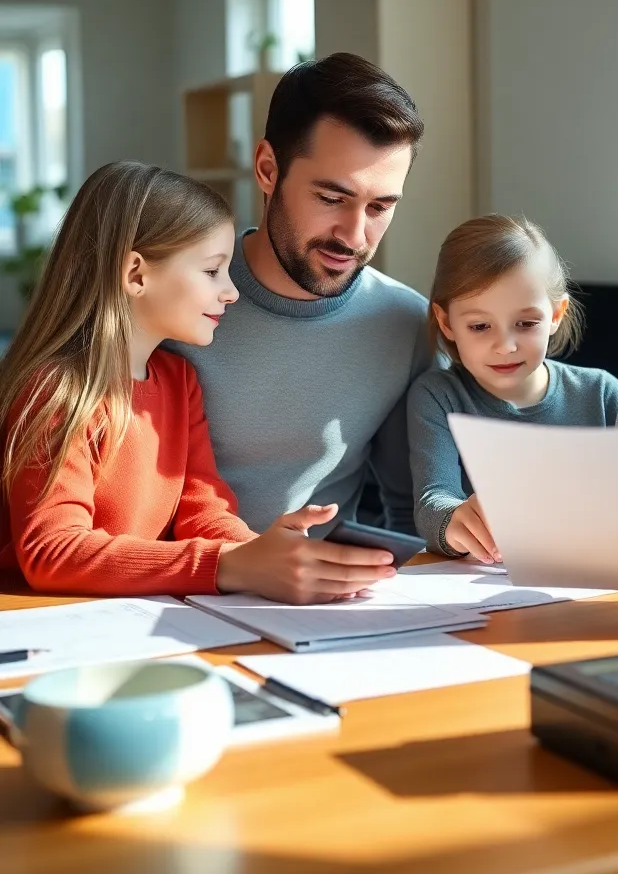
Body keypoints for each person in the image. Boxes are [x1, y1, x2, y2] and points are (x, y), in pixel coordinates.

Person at [0, 161, 390, 603]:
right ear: (136, 274)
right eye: (211, 271)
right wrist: (228, 565)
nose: (231, 291)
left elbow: (202, 509)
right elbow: (53, 551)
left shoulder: (179, 380)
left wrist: (267, 555)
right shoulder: (57, 390)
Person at [168, 53, 432, 596]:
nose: (355, 236)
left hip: (321, 609)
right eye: (331, 198)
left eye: (380, 207)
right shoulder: (172, 304)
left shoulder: (407, 324)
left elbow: (415, 511)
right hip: (168, 597)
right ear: (268, 168)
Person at [408, 215, 618, 560]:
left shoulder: (601, 393)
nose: (505, 346)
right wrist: (455, 520)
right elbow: (434, 500)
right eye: (480, 326)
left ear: (556, 315)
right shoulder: (438, 395)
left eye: (525, 323)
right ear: (446, 322)